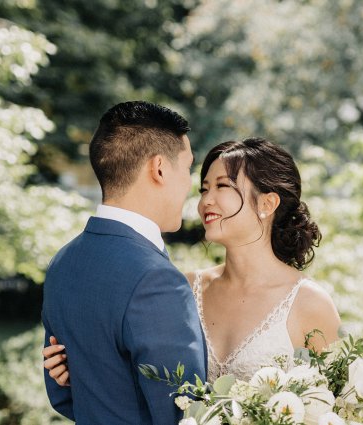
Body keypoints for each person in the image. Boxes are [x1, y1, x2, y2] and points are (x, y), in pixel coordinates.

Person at [44, 138, 340, 387]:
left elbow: (335, 408)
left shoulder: (309, 303)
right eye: (203, 189)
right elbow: (146, 390)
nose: (205, 201)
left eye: (222, 186)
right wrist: (79, 373)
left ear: (267, 203)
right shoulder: (182, 288)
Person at [41, 101, 207, 425]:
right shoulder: (157, 279)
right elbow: (188, 416)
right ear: (159, 168)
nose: (191, 184)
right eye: (187, 167)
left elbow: (63, 395)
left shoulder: (62, 263)